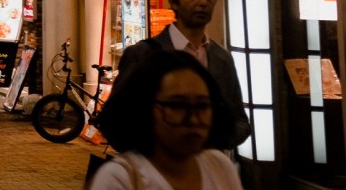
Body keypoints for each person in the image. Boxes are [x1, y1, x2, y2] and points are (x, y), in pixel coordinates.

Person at [113, 0, 252, 150]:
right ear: (174, 1)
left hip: (206, 164)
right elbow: (116, 123)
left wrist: (210, 140)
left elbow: (240, 122)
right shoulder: (143, 55)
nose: (203, 2)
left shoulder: (221, 58)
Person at [89, 50, 242, 190]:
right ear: (147, 109)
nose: (193, 119)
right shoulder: (120, 178)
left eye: (202, 106)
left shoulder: (219, 166)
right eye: (177, 106)